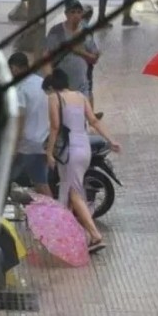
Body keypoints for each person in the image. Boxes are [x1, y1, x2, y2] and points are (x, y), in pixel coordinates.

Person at [44, 69, 121, 253]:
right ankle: (72, 237)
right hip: (84, 148)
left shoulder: (54, 98)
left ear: (53, 86)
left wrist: (49, 153)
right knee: (72, 193)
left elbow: (55, 127)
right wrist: (111, 140)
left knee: (74, 194)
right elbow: (94, 120)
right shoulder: (80, 96)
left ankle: (94, 235)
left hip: (69, 151)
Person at [7, 52, 52, 196]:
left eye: (10, 70)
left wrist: (13, 148)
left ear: (14, 68)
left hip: (27, 145)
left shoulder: (20, 89)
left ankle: (56, 215)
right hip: (42, 139)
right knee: (40, 183)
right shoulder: (40, 82)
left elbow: (19, 122)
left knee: (41, 185)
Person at [44, 0, 100, 102]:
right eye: (72, 12)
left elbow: (94, 58)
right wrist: (49, 78)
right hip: (61, 87)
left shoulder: (86, 32)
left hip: (81, 86)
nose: (76, 15)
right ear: (66, 14)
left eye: (79, 12)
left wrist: (80, 52)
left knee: (82, 115)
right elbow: (47, 57)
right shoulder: (56, 32)